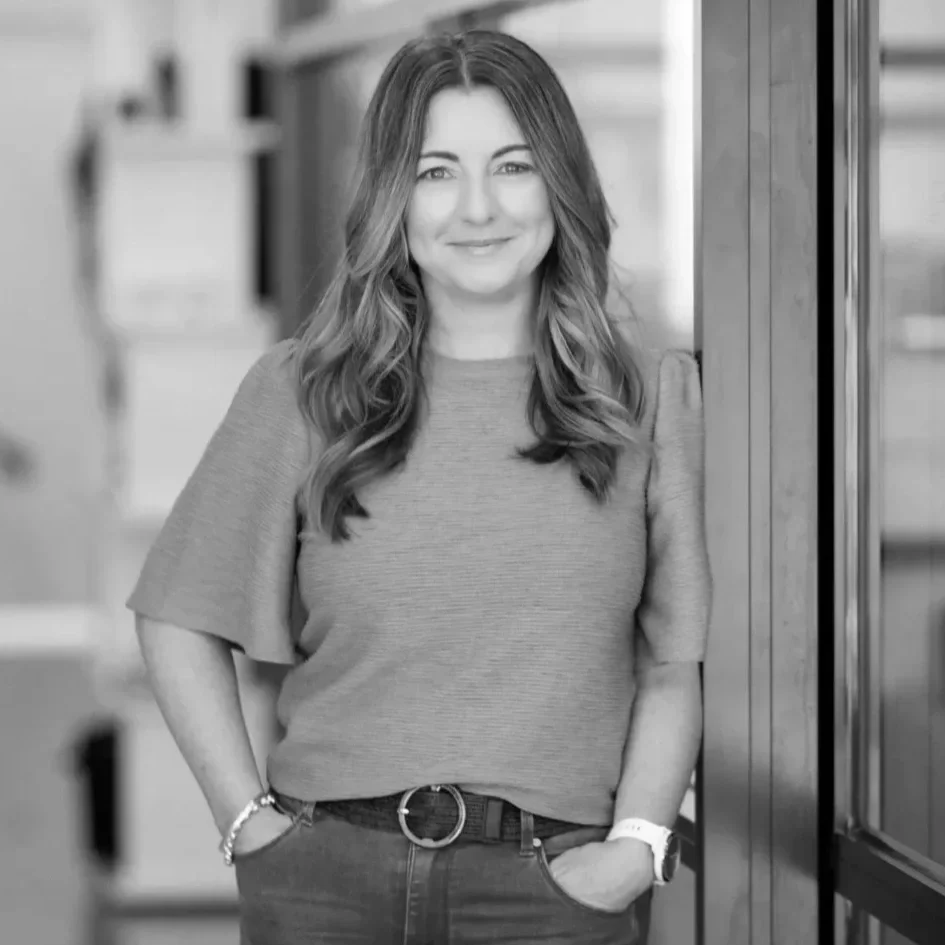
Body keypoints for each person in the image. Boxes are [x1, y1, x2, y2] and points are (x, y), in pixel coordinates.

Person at [128, 28, 711, 945]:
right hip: (323, 877)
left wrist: (636, 845)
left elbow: (673, 661)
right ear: (392, 199)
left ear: (560, 183)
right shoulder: (301, 391)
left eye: (511, 165)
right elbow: (175, 617)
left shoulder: (648, 399)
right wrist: (248, 824)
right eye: (436, 172)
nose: (477, 207)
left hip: (552, 890)